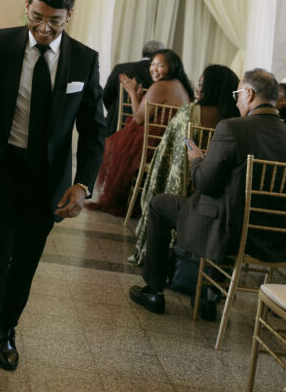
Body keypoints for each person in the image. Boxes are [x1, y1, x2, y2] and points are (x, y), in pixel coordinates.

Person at [0, 0, 105, 392]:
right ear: (27, 5)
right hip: (0, 171)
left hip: (48, 184)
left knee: (23, 268)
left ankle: (7, 328)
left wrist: (83, 184)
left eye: (54, 22)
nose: (44, 29)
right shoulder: (0, 43)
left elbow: (95, 129)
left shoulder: (84, 60)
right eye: (37, 17)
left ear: (69, 15)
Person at [129, 69, 286, 316]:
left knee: (160, 204)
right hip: (275, 238)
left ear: (249, 93)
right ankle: (206, 294)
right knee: (223, 208)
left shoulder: (233, 129)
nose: (235, 101)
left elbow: (204, 183)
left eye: (238, 94)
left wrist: (196, 160)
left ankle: (154, 290)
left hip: (229, 232)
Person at [131, 64, 239, 265]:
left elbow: (167, 156)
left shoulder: (189, 113)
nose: (197, 90)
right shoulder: (237, 121)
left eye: (201, 84)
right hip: (226, 203)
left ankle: (155, 278)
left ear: (211, 88)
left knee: (158, 203)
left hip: (191, 191)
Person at [88, 49, 193, 217]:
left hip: (154, 142)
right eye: (152, 65)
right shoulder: (180, 85)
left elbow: (138, 119)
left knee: (112, 146)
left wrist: (132, 93)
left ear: (171, 67)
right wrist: (138, 96)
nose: (154, 69)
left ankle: (125, 199)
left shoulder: (160, 86)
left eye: (160, 65)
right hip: (165, 141)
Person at [102, 39, 163, 135]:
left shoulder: (120, 68)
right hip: (146, 132)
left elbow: (106, 96)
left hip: (114, 126)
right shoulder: (161, 75)